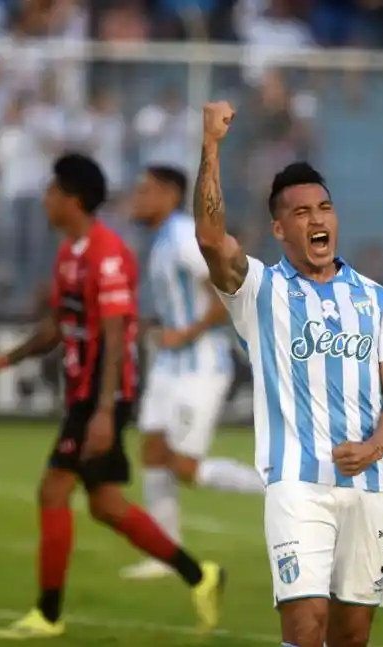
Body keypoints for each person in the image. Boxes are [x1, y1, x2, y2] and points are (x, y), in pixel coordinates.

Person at [0, 153, 224, 639]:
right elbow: (60, 324)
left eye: (53, 192)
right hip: (87, 393)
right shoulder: (71, 253)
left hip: (102, 393)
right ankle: (200, 574)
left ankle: (48, 614)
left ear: (73, 200)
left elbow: (118, 330)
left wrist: (104, 411)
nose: (46, 199)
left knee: (53, 489)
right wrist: (1, 361)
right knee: (104, 504)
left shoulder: (106, 254)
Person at [193, 101, 383, 647]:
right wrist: (212, 146)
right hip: (296, 486)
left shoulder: (377, 299)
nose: (317, 219)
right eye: (301, 212)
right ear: (278, 228)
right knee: (304, 622)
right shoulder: (261, 292)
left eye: (325, 207)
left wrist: (374, 449)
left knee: (352, 634)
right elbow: (210, 240)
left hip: (370, 486)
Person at [121, 165, 263, 581]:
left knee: (185, 468)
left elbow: (224, 290)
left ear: (168, 195)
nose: (137, 199)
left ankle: (283, 487)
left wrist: (187, 331)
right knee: (151, 450)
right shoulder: (163, 240)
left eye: (144, 191)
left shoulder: (184, 237)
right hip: (170, 365)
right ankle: (166, 554)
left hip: (200, 365)